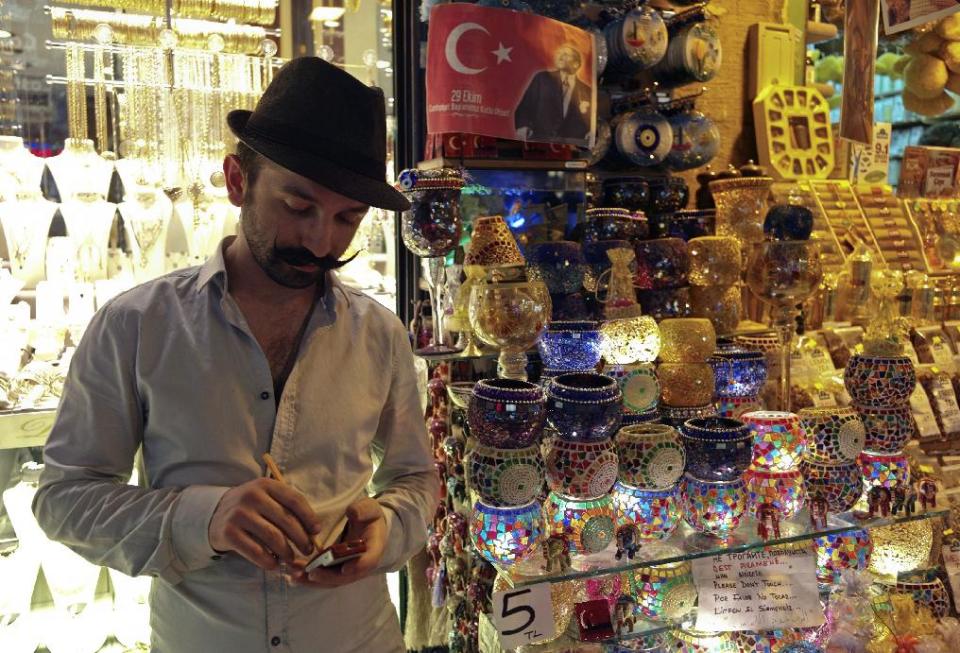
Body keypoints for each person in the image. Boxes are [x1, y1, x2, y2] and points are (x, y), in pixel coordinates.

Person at [32, 57, 440, 653]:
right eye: (298, 207)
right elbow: (63, 500)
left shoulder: (380, 333)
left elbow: (416, 478)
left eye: (348, 219)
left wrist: (390, 527)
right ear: (236, 181)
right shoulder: (135, 326)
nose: (322, 241)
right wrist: (206, 519)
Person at [513, 43, 592, 142]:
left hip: (571, 145)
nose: (560, 56)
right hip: (541, 141)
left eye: (566, 54)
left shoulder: (587, 90)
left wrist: (591, 132)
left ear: (576, 64)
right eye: (559, 53)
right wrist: (523, 126)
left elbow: (591, 120)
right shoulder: (542, 79)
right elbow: (525, 106)